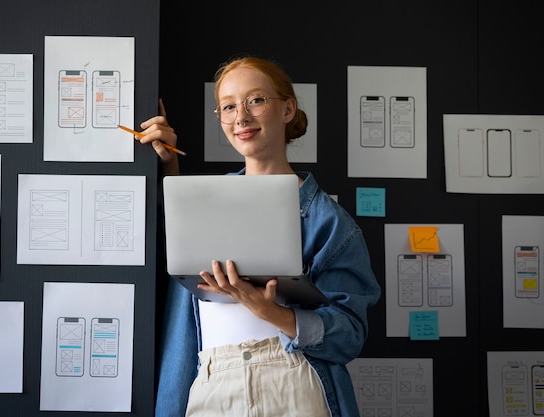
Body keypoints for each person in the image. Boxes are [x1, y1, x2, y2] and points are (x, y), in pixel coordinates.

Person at [138, 55, 382, 417]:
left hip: (291, 383)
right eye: (228, 106)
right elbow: (175, 244)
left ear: (287, 110)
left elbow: (349, 334)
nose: (241, 117)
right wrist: (167, 164)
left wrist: (272, 313)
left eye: (255, 100)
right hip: (211, 380)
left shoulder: (329, 221)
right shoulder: (204, 204)